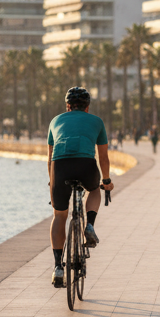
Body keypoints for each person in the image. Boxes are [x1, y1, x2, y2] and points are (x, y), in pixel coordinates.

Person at [46, 87, 113, 288]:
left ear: (67, 106)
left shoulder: (55, 121)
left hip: (60, 167)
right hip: (86, 165)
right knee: (94, 190)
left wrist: (52, 181)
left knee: (59, 215)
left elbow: (49, 158)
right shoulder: (97, 121)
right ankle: (89, 225)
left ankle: (58, 267)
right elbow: (103, 157)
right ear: (87, 107)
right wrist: (107, 181)